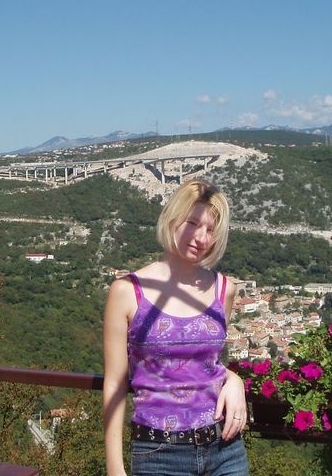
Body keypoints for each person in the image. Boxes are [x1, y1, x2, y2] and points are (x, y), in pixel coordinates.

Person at [103, 180, 249, 476]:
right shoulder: (127, 292)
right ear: (172, 219)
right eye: (192, 223)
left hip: (225, 449)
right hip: (159, 453)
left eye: (210, 230)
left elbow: (209, 362)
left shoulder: (224, 290)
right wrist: (114, 467)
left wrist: (234, 380)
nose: (201, 237)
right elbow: (115, 384)